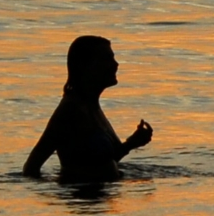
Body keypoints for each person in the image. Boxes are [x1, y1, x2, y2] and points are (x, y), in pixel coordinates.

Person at [24, 34, 153, 182]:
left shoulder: (91, 105)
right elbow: (31, 168)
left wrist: (132, 143)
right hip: (82, 201)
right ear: (85, 66)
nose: (115, 64)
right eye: (106, 59)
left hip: (102, 200)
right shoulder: (70, 111)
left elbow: (100, 160)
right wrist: (60, 195)